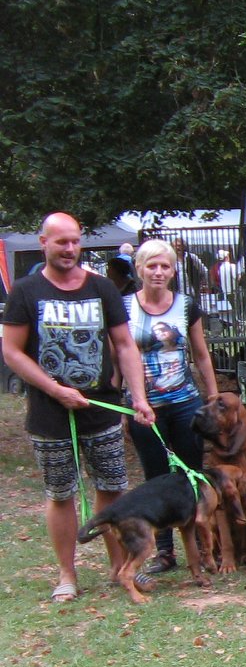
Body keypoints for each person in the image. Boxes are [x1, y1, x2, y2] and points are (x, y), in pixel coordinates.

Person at [1, 213, 155, 601]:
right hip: (50, 413)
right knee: (60, 493)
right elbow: (11, 351)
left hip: (102, 407)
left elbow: (124, 346)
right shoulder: (26, 290)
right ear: (43, 243)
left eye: (74, 241)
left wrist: (138, 397)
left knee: (113, 489)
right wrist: (54, 389)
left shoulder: (101, 288)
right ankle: (67, 576)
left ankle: (120, 570)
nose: (69, 249)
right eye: (61, 242)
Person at [123, 239, 219, 574]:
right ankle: (164, 551)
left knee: (191, 476)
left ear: (174, 270)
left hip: (185, 402)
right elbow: (119, 354)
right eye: (152, 265)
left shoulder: (186, 305)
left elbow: (202, 354)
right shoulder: (124, 308)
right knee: (156, 479)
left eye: (165, 266)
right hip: (145, 407)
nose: (159, 272)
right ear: (140, 269)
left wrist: (213, 396)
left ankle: (204, 550)